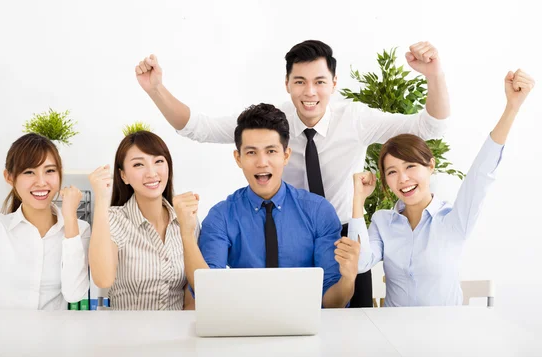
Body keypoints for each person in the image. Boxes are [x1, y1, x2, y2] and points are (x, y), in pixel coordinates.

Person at [135, 39, 450, 307]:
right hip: (289, 233)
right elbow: (197, 128)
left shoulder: (354, 118)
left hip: (342, 232)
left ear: (334, 83)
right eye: (300, 81)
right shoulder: (271, 125)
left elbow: (430, 127)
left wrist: (434, 76)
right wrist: (156, 89)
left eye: (320, 81)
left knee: (352, 324)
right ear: (287, 84)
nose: (309, 91)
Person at [347, 69, 535, 306]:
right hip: (394, 334)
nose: (403, 179)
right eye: (392, 172)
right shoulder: (382, 222)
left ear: (430, 165)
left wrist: (512, 107)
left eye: (411, 166)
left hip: (445, 334)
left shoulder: (454, 220)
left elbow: (480, 175)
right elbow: (360, 262)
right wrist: (357, 201)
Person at [174, 103, 360, 308]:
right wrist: (186, 233)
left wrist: (348, 279)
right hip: (245, 325)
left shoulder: (318, 211)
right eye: (251, 152)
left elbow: (332, 303)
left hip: (306, 328)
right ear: (238, 158)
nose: (262, 162)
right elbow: (208, 290)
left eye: (271, 151)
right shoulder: (222, 215)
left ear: (286, 155)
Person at [0, 131, 90, 310]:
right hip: (3, 337)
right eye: (29, 172)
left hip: (53, 337)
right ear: (9, 178)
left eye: (50, 171)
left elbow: (75, 294)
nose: (41, 182)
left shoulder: (78, 229)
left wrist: (70, 218)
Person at [88, 130, 195, 310]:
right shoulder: (114, 220)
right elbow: (103, 279)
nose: (151, 173)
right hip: (128, 334)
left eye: (159, 161)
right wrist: (101, 198)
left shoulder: (185, 218)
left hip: (176, 332)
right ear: (123, 176)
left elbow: (192, 292)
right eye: (138, 165)